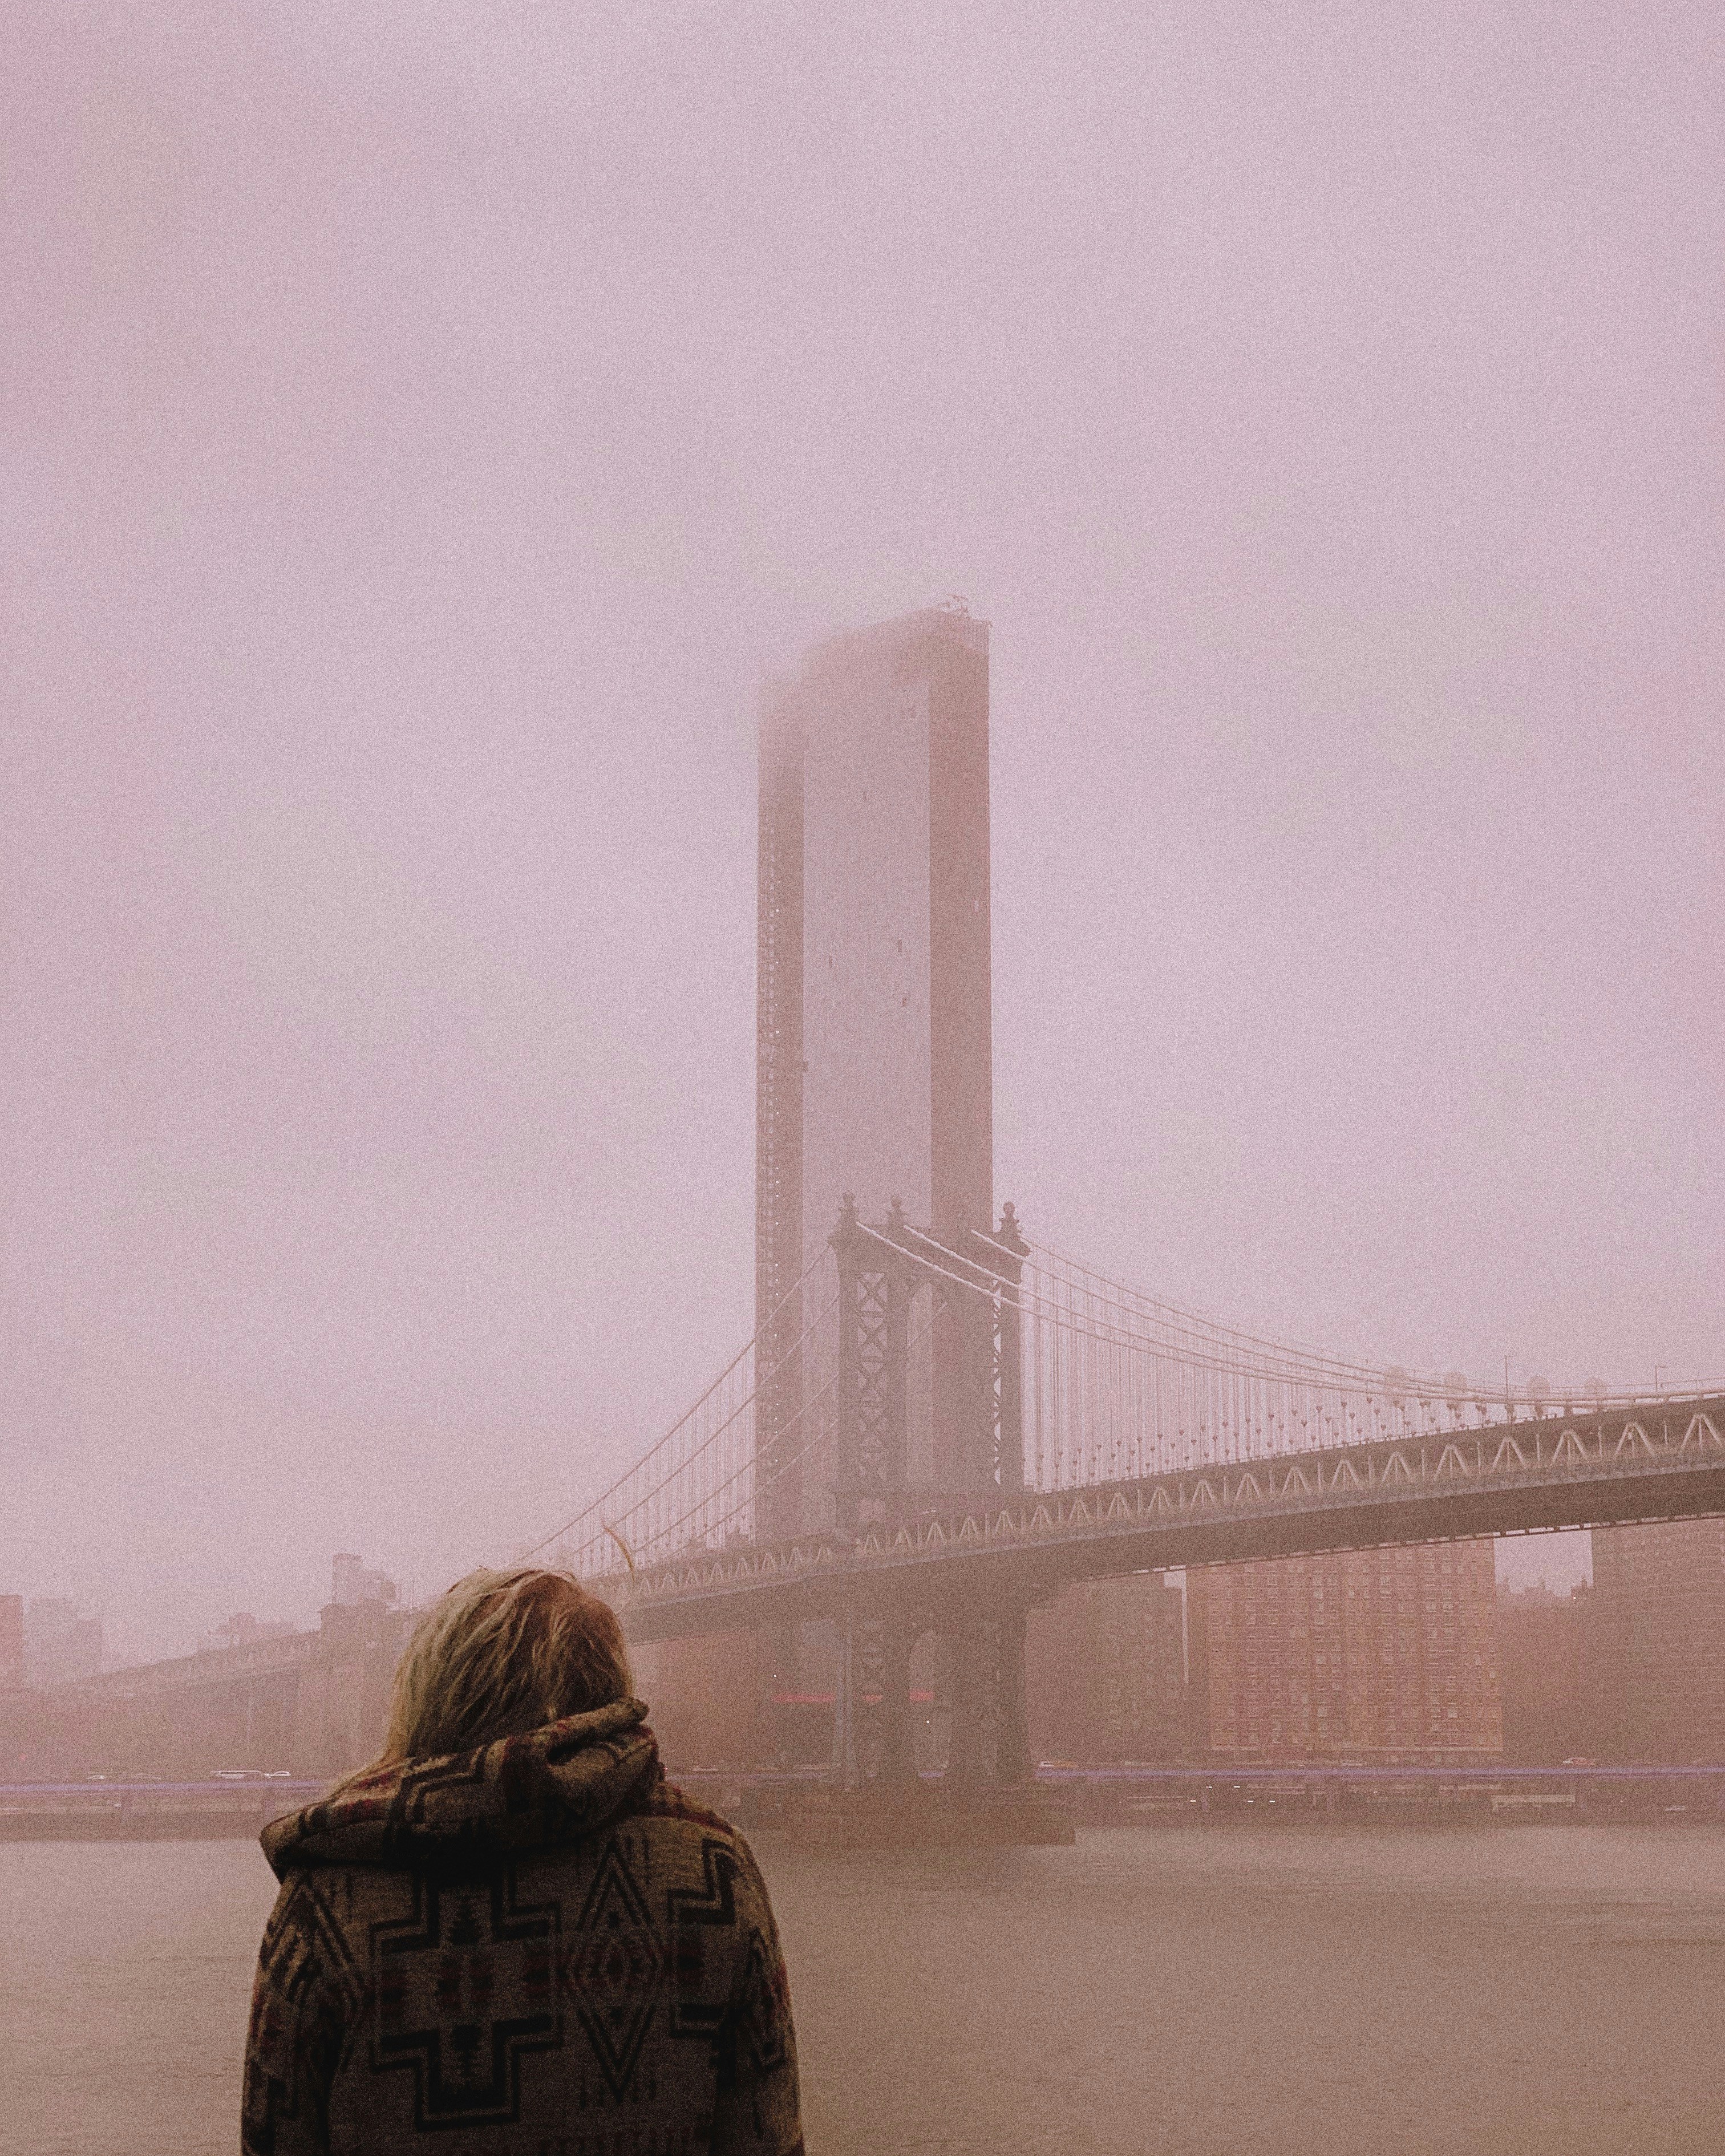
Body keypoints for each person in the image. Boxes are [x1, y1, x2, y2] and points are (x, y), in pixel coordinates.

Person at [242, 1566, 804, 2155]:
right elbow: (770, 2136)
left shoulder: (328, 1899)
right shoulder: (713, 1867)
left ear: (432, 1692)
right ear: (609, 1688)